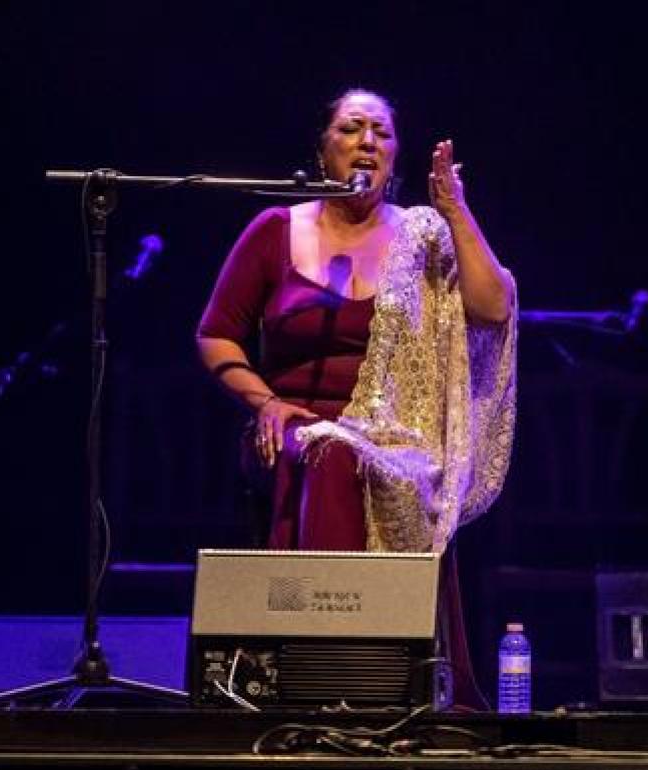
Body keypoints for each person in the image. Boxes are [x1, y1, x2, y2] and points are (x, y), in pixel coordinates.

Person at [197, 87, 517, 708]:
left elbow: (492, 307)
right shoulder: (275, 231)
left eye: (382, 132)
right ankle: (325, 673)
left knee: (380, 461)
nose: (367, 141)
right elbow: (215, 334)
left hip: (399, 432)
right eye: (351, 129)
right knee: (333, 453)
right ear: (323, 149)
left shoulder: (422, 236)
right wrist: (264, 401)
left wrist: (455, 211)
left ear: (395, 157)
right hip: (290, 427)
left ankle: (394, 683)